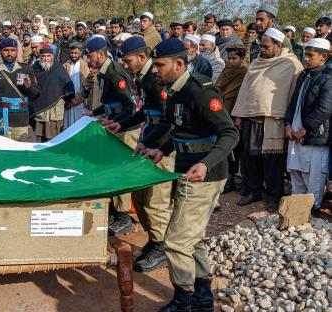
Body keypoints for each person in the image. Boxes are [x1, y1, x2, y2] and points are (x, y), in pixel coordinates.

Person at [146, 38, 238, 312]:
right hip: (185, 168)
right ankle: (201, 299)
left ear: (178, 63)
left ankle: (184, 300)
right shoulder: (174, 90)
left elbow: (230, 133)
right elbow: (179, 128)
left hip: (202, 175)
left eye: (160, 65)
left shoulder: (199, 91)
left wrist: (206, 164)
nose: (155, 70)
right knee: (191, 238)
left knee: (175, 240)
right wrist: (162, 149)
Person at [105, 36, 174, 273]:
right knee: (140, 199)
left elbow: (168, 120)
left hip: (161, 149)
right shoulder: (144, 79)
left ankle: (162, 247)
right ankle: (154, 242)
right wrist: (121, 125)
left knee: (155, 201)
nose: (124, 65)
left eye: (128, 60)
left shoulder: (157, 80)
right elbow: (145, 112)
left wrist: (151, 145)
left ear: (142, 57)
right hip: (149, 145)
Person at [231, 28, 304, 212]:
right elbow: (245, 90)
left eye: (266, 46)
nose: (262, 49)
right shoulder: (256, 62)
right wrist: (239, 114)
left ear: (278, 46)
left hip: (274, 120)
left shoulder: (291, 64)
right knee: (249, 158)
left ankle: (273, 196)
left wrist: (289, 121)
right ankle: (252, 191)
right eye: (261, 45)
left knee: (273, 161)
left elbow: (295, 95)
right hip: (251, 118)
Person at [84, 37, 136, 236]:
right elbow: (109, 101)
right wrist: (95, 112)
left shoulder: (114, 73)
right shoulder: (105, 72)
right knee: (112, 168)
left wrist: (117, 122)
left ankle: (124, 216)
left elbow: (129, 106)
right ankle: (116, 211)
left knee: (121, 170)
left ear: (101, 53)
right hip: (114, 123)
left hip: (125, 128)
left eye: (91, 56)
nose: (89, 60)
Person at [285, 38, 332, 217]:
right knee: (296, 172)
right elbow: (293, 102)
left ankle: (312, 210)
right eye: (305, 54)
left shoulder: (328, 78)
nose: (306, 58)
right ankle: (296, 210)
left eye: (310, 55)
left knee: (314, 177)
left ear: (323, 57)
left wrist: (304, 129)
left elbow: (325, 108)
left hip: (315, 136)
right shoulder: (304, 75)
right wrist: (288, 124)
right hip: (295, 134)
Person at [0, 37, 41, 141]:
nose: (9, 53)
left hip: (21, 121)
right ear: (0, 51)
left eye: (13, 50)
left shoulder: (26, 69)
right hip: (1, 120)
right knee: (4, 153)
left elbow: (36, 95)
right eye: (5, 50)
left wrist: (29, 87)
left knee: (21, 153)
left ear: (17, 51)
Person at [216, 45, 248, 194]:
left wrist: (239, 116)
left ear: (242, 59)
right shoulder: (225, 71)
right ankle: (225, 178)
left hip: (237, 115)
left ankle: (232, 178)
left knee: (236, 148)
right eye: (229, 58)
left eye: (234, 58)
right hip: (223, 113)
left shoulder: (246, 73)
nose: (230, 61)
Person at [32, 45, 74, 142]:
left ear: (52, 56)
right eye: (43, 56)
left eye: (48, 56)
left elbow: (68, 85)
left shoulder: (58, 67)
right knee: (39, 136)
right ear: (40, 56)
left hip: (55, 109)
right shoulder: (35, 68)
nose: (46, 59)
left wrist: (68, 100)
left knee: (55, 137)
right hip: (40, 109)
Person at [63, 41, 91, 128]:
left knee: (80, 128)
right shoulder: (65, 65)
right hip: (68, 103)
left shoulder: (85, 66)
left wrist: (74, 102)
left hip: (81, 103)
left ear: (80, 53)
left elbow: (87, 87)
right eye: (71, 53)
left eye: (75, 53)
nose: (73, 55)